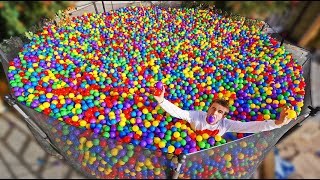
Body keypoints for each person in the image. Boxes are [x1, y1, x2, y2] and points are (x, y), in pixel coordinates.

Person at [154, 86, 293, 136]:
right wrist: (161, 100)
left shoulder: (225, 125)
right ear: (208, 109)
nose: (215, 113)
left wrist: (277, 123)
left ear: (223, 116)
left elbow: (250, 126)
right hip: (187, 139)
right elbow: (179, 112)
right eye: (213, 108)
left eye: (219, 112)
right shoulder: (197, 115)